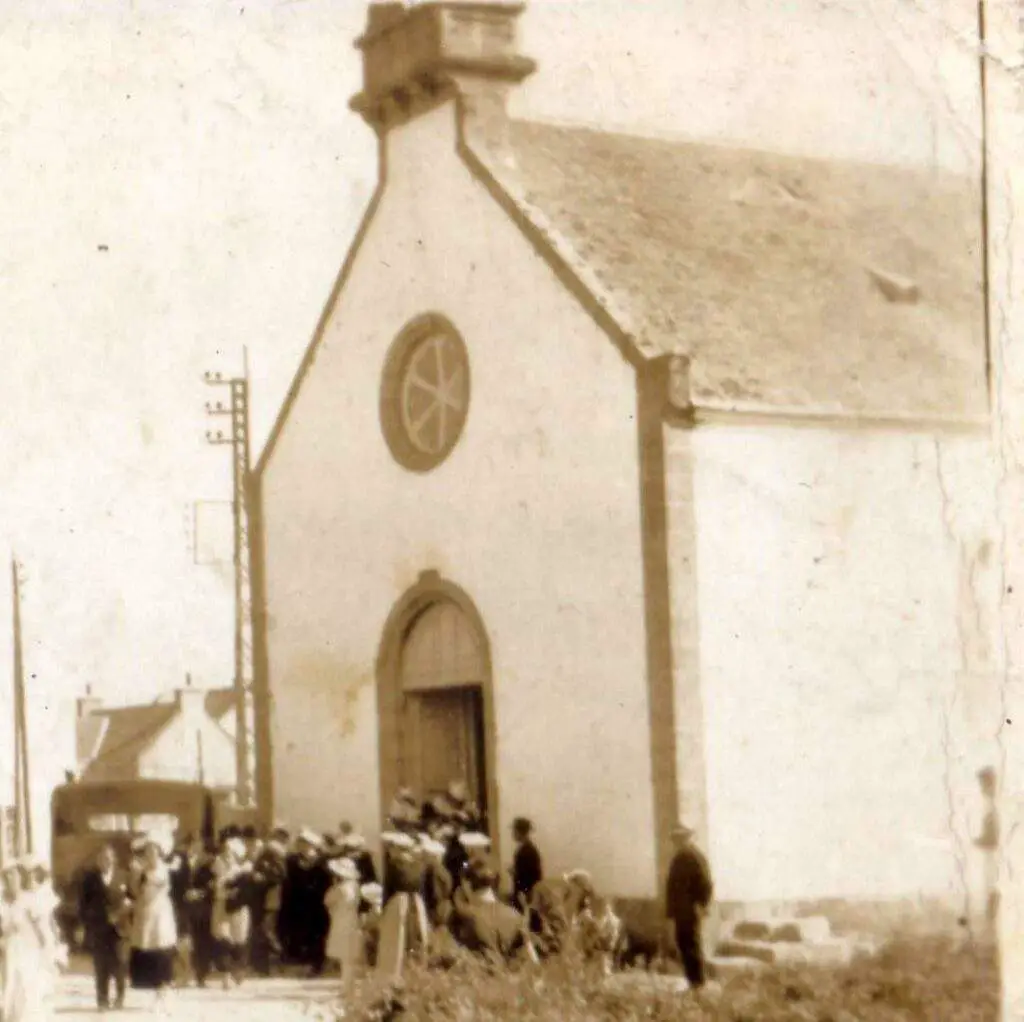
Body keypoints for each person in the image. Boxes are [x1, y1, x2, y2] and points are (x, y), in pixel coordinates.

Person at [128, 832, 179, 1012]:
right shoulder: (140, 870)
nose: (150, 854)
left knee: (162, 950)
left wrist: (145, 877)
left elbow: (160, 888)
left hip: (160, 913)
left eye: (154, 850)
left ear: (159, 852)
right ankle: (157, 993)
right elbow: (134, 892)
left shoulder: (164, 869)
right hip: (145, 913)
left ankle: (165, 991)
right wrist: (136, 877)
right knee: (148, 951)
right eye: (147, 851)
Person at [79, 844, 130, 1011]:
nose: (105, 861)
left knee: (119, 964)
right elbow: (83, 904)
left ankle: (120, 997)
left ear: (114, 860)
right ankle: (102, 1000)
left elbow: (132, 899)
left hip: (119, 929)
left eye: (109, 858)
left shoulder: (123, 876)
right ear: (98, 860)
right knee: (101, 965)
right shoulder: (90, 879)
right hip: (98, 928)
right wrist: (84, 925)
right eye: (102, 858)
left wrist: (124, 911)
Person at [665, 824, 713, 990]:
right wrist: (671, 911)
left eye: (681, 838)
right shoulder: (679, 857)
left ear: (688, 838)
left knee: (691, 944)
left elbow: (706, 883)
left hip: (690, 910)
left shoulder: (695, 857)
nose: (677, 842)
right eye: (675, 839)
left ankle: (698, 982)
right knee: (684, 943)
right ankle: (693, 981)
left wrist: (702, 904)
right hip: (681, 910)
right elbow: (672, 887)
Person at [279, 828, 331, 975]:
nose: (302, 846)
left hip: (316, 905)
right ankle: (301, 963)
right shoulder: (292, 861)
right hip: (297, 904)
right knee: (298, 933)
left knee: (316, 934)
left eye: (305, 844)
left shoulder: (322, 862)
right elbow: (287, 882)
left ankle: (316, 964)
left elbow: (325, 883)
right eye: (300, 843)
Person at [210, 835, 252, 988]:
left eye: (230, 851)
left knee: (239, 941)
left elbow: (246, 889)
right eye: (225, 850)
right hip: (221, 906)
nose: (226, 853)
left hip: (238, 908)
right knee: (223, 940)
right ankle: (226, 974)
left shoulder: (245, 868)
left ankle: (238, 970)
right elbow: (217, 887)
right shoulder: (217, 864)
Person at [324, 857, 363, 997]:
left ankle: (346, 987)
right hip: (353, 920)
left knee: (345, 956)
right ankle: (349, 986)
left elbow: (327, 901)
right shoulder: (355, 887)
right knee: (350, 957)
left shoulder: (338, 889)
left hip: (340, 921)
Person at [181, 838, 216, 988]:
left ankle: (201, 975)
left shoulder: (208, 866)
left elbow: (213, 884)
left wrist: (200, 893)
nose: (195, 850)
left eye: (198, 847)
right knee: (184, 940)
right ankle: (185, 973)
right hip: (185, 907)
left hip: (203, 908)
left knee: (202, 941)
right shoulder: (180, 864)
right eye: (192, 846)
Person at [510, 818, 542, 913]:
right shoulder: (528, 849)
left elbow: (527, 876)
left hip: (525, 894)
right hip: (526, 892)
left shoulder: (527, 851)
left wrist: (514, 872)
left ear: (519, 832)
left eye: (514, 831)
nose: (512, 834)